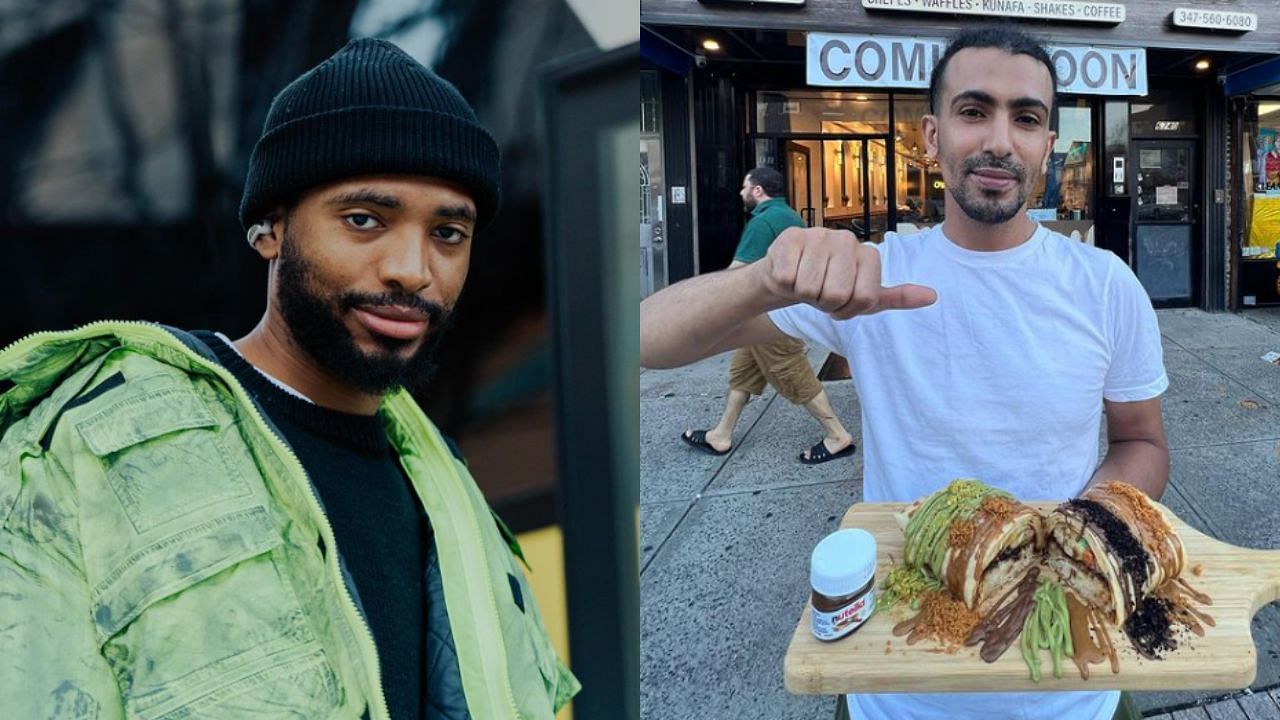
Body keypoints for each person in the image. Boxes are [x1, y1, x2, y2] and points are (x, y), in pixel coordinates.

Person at [0, 38, 577, 720]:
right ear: (270, 228)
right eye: (365, 220)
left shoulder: (443, 482)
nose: (412, 269)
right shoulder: (95, 445)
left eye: (449, 233)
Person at [641, 25, 1167, 720]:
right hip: (895, 689)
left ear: (1047, 144)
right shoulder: (873, 279)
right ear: (930, 135)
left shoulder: (1106, 284)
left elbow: (1141, 442)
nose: (1000, 141)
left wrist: (1081, 530)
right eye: (974, 111)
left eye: (1027, 119)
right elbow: (648, 339)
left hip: (1074, 689)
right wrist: (768, 279)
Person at [680, 167, 855, 464]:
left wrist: (703, 305)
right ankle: (721, 434)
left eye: (744, 187)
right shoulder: (789, 216)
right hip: (776, 312)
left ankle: (837, 435)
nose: (741, 193)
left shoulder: (763, 223)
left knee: (792, 373)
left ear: (758, 191)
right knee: (744, 373)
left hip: (770, 313)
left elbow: (736, 275)